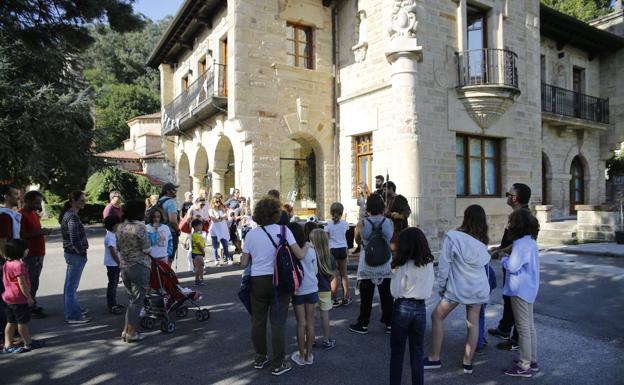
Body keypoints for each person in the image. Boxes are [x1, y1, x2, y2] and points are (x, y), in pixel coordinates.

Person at [240, 197, 310, 376]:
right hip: (280, 281)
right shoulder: (284, 230)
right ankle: (278, 362)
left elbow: (243, 262)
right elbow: (300, 255)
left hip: (258, 281)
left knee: (258, 320)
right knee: (278, 322)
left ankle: (260, 356)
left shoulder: (251, 234)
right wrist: (308, 245)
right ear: (276, 213)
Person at [423, 205, 491, 374]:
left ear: (465, 218)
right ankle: (468, 362)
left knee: (437, 316)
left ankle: (434, 358)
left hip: (457, 288)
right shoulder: (482, 243)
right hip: (479, 287)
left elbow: (444, 265)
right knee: (473, 323)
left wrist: (442, 286)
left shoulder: (453, 237)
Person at [489, 183, 532, 351]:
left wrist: (499, 252)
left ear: (515, 198)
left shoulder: (522, 216)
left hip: (516, 265)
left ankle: (515, 339)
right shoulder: (518, 214)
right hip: (510, 263)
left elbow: (518, 244)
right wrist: (499, 248)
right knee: (508, 297)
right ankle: (504, 328)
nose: (507, 196)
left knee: (516, 301)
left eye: (509, 194)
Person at [389, 228, 435, 385]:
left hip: (402, 306)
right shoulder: (428, 264)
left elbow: (394, 290)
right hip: (420, 308)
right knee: (417, 352)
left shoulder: (400, 264)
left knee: (397, 352)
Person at [502, 209, 540, 378]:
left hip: (519, 289)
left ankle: (524, 366)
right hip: (530, 288)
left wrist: (503, 258)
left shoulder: (520, 244)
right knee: (529, 326)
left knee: (523, 328)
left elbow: (512, 266)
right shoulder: (530, 241)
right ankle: (532, 360)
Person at [350, 193, 394, 335]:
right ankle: (389, 323)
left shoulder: (362, 223)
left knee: (366, 297)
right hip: (384, 262)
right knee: (387, 296)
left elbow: (357, 240)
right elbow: (390, 238)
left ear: (368, 207)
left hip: (367, 263)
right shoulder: (388, 222)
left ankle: (363, 323)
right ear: (382, 207)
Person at [116, 200, 152, 343]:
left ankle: (126, 330)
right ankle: (131, 332)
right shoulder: (140, 228)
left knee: (132, 300)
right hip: (139, 265)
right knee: (137, 301)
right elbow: (147, 248)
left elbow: (118, 247)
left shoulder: (120, 227)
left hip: (124, 266)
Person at [288, 222, 318, 366]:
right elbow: (316, 270)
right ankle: (309, 355)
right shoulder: (311, 250)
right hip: (312, 287)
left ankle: (301, 356)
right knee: (311, 322)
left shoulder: (290, 251)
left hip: (298, 289)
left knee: (301, 323)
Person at [60, 191, 91, 324]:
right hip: (75, 255)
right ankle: (72, 315)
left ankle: (73, 309)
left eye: (84, 200)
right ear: (73, 200)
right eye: (81, 201)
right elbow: (74, 239)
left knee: (69, 286)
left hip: (72, 254)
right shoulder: (72, 216)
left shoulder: (71, 214)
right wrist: (81, 251)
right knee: (71, 287)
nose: (83, 203)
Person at [19, 190, 51, 318]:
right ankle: (28, 306)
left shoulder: (33, 214)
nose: (39, 205)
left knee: (35, 280)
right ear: (28, 201)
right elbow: (23, 235)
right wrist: (41, 232)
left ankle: (32, 303)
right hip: (30, 253)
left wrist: (42, 232)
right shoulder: (21, 215)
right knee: (30, 280)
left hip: (39, 252)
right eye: (36, 203)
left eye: (40, 203)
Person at [2, 239, 36, 353]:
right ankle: (28, 343)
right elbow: (22, 283)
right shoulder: (19, 265)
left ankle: (7, 345)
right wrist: (29, 298)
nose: (28, 250)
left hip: (8, 298)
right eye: (26, 249)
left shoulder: (7, 263)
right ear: (19, 251)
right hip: (19, 299)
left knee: (10, 322)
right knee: (22, 322)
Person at [310, 229, 336, 350]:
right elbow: (332, 275)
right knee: (325, 315)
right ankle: (326, 340)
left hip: (312, 289)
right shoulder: (329, 256)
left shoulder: (310, 255)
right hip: (325, 289)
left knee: (311, 316)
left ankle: (311, 340)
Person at [0, 184, 21, 340]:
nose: (18, 196)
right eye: (14, 194)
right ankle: (6, 336)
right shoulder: (4, 216)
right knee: (6, 298)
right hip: (5, 263)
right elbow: (2, 242)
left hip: (9, 260)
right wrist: (8, 261)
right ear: (5, 197)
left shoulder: (9, 215)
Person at [325, 202, 351, 307]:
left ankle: (334, 299)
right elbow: (348, 238)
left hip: (332, 250)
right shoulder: (345, 223)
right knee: (344, 275)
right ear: (341, 212)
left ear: (331, 212)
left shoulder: (327, 224)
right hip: (343, 249)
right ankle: (346, 297)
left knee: (334, 275)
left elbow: (326, 239)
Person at [103, 215, 124, 315]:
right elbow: (113, 252)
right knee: (112, 284)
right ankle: (112, 305)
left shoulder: (114, 234)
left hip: (115, 263)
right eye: (118, 224)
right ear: (113, 226)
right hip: (113, 264)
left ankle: (114, 303)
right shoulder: (110, 236)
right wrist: (119, 263)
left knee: (114, 283)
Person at [157, 183, 180, 265]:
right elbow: (172, 220)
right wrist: (177, 230)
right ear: (168, 191)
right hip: (170, 232)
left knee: (161, 257)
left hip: (159, 231)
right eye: (174, 190)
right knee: (169, 258)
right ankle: (167, 276)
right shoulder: (170, 202)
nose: (175, 192)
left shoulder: (159, 201)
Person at [382, 182, 411, 246]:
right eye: (383, 190)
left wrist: (392, 214)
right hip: (389, 230)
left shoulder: (400, 199)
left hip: (399, 231)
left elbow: (406, 213)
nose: (384, 192)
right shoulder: (386, 200)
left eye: (385, 189)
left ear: (391, 189)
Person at [209, 194, 232, 266]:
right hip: (214, 230)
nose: (218, 203)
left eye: (219, 201)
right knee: (215, 246)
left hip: (222, 230)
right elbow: (213, 219)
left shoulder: (221, 209)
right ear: (213, 202)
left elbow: (226, 216)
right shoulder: (211, 210)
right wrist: (220, 218)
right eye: (216, 201)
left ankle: (228, 258)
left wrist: (220, 218)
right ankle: (216, 259)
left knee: (225, 245)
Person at [191, 219, 206, 286]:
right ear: (195, 226)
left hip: (195, 253)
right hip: (198, 253)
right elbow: (198, 245)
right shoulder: (196, 235)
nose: (201, 226)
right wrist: (202, 252)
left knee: (200, 266)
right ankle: (198, 280)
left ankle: (199, 280)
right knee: (199, 267)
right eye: (200, 225)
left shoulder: (194, 234)